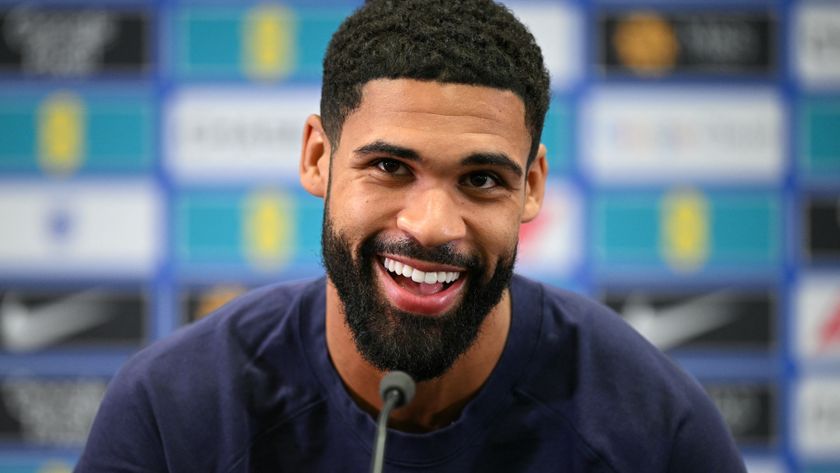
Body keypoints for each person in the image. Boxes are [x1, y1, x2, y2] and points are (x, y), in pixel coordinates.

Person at [76, 1, 747, 471]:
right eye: (390, 167)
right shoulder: (174, 411)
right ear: (318, 157)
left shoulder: (655, 430)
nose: (430, 226)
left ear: (532, 187)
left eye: (481, 179)